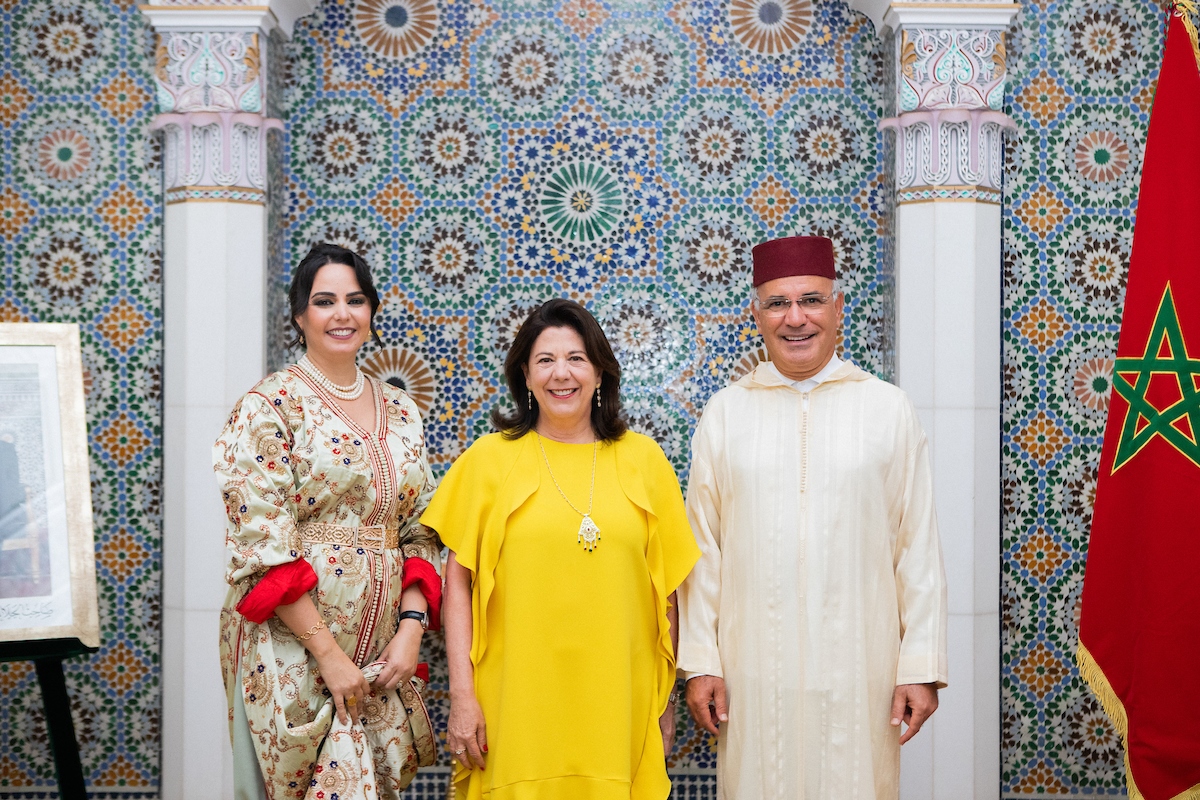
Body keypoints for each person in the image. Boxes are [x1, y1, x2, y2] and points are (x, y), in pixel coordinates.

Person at [677, 235, 948, 799]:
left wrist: (919, 664)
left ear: (837, 307)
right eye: (777, 303)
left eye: (811, 300)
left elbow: (916, 545)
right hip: (751, 673)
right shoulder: (727, 413)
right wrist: (702, 660)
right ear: (755, 314)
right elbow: (702, 550)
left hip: (861, 669)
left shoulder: (886, 408)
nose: (795, 318)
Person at [421, 298, 700, 800]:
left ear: (599, 372)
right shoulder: (489, 460)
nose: (561, 374)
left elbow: (669, 593)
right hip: (516, 704)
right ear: (524, 376)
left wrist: (665, 703)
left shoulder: (644, 460)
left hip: (619, 703)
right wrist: (462, 697)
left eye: (576, 358)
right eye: (545, 360)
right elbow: (455, 585)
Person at [214, 243, 441, 800]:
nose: (342, 314)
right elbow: (260, 545)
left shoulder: (401, 409)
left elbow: (421, 528)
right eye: (324, 301)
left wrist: (410, 632)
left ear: (371, 312)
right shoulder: (269, 406)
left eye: (355, 300)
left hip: (382, 650)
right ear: (299, 315)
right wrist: (330, 655)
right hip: (293, 645)